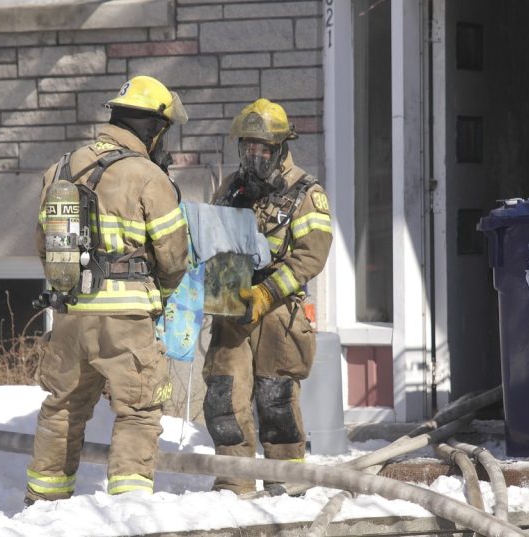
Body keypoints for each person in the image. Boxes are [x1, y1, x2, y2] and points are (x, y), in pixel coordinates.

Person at [26, 75, 189, 504]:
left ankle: (43, 505)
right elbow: (174, 257)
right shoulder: (148, 176)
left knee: (62, 407)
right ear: (154, 129)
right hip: (126, 320)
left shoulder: (61, 168)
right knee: (138, 410)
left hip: (69, 314)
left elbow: (44, 246)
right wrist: (159, 297)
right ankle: (129, 511)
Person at [202, 98, 333, 494]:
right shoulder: (232, 188)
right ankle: (233, 482)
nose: (254, 157)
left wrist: (265, 293)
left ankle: (287, 483)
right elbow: (213, 239)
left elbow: (311, 257)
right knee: (224, 395)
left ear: (280, 148)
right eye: (248, 148)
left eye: (263, 149)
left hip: (278, 311)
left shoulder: (306, 193)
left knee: (276, 400)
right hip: (232, 307)